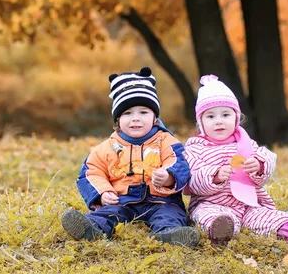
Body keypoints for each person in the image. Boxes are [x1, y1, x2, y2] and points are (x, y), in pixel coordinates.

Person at [61, 67, 200, 247]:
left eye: (143, 112)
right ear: (117, 120)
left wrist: (168, 176)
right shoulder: (107, 147)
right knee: (107, 213)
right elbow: (91, 172)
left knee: (170, 214)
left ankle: (168, 234)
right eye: (128, 113)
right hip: (121, 201)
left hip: (161, 200)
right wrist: (103, 194)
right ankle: (92, 228)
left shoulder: (166, 141)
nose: (136, 118)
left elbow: (179, 163)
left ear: (154, 117)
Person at [184, 74, 288, 246]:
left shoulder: (247, 143)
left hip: (249, 203)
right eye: (210, 117)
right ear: (200, 122)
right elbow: (191, 180)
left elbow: (268, 159)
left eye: (225, 114)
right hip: (212, 203)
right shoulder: (195, 148)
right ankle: (219, 233)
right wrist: (215, 175)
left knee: (266, 217)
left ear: (236, 117)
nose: (218, 121)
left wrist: (258, 166)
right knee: (206, 214)